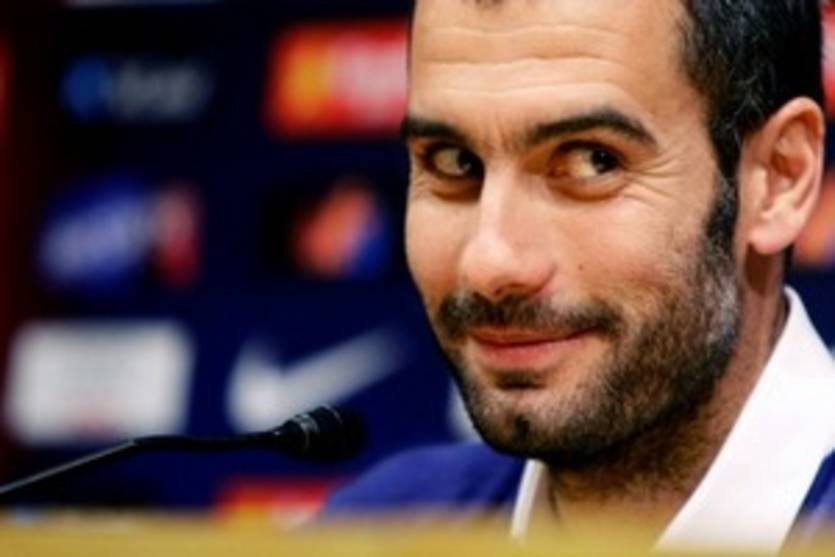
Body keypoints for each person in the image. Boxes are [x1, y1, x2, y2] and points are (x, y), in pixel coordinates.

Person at [326, 0, 835, 551]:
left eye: (593, 161)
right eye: (454, 162)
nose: (489, 263)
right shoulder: (379, 525)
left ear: (779, 177)